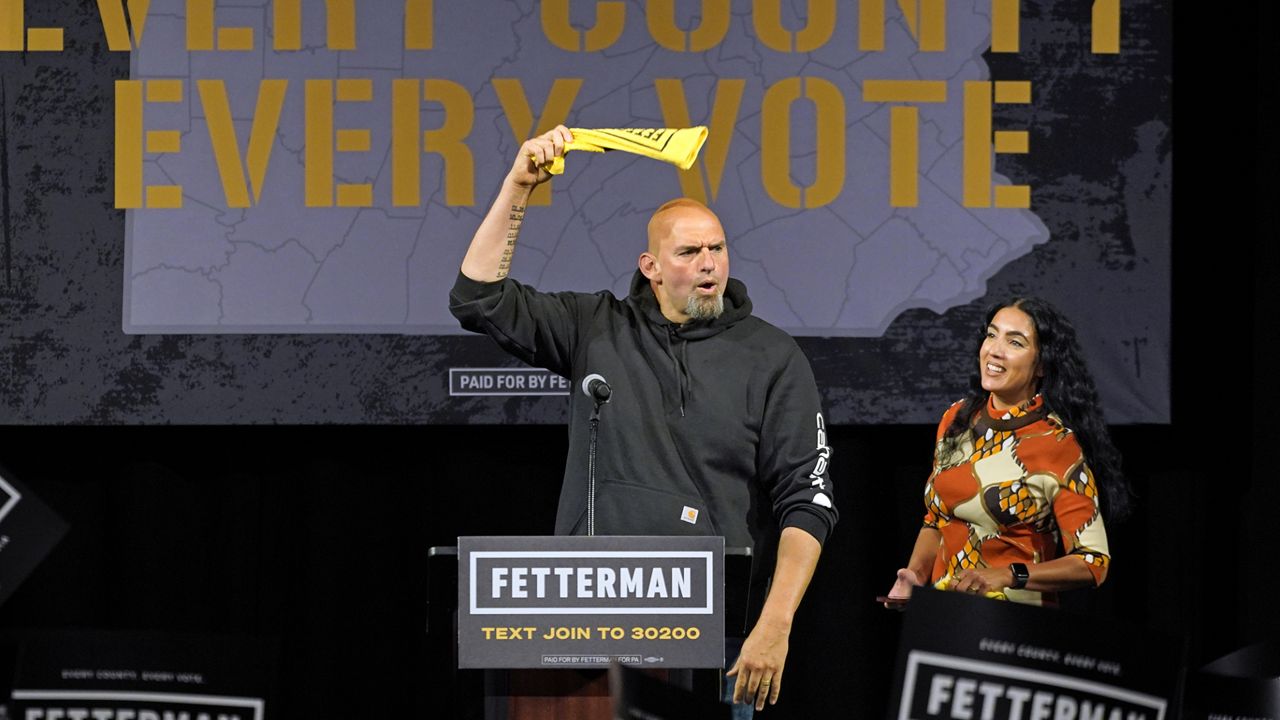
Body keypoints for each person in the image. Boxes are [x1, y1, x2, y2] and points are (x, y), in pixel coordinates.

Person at [449, 127, 838, 712]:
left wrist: (775, 625)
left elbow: (809, 502)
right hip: (587, 630)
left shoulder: (773, 356)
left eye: (718, 248)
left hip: (717, 635)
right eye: (689, 253)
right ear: (651, 266)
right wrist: (518, 188)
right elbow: (477, 298)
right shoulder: (595, 328)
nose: (710, 265)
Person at [886, 297, 1130, 606]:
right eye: (991, 334)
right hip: (944, 615)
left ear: (1041, 364)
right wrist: (915, 576)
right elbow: (936, 519)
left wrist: (1007, 574)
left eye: (1015, 342)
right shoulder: (956, 419)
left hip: (1014, 625)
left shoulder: (1057, 444)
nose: (994, 350)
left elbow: (1093, 562)